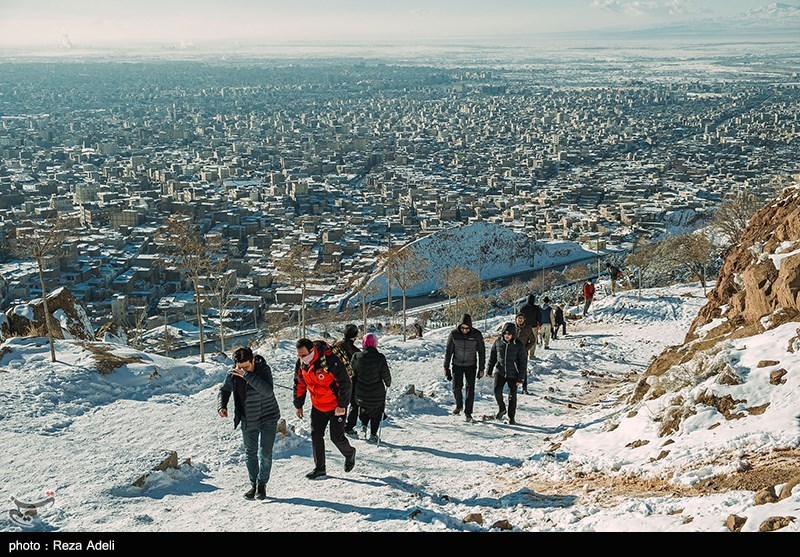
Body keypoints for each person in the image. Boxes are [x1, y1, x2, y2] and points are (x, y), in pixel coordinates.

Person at [218, 347, 281, 500]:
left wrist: (247, 375)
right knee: (250, 454)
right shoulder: (232, 374)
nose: (242, 370)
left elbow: (267, 391)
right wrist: (222, 405)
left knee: (265, 453)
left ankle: (262, 485)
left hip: (268, 418)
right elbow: (224, 390)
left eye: (246, 366)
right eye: (239, 367)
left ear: (253, 360)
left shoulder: (264, 370)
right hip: (248, 419)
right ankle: (253, 485)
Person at [293, 338, 356, 479]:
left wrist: (342, 405)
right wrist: (298, 404)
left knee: (336, 437)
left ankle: (350, 453)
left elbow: (346, 383)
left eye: (303, 355)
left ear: (311, 351)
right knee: (316, 436)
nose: (301, 358)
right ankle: (320, 468)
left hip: (335, 406)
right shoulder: (302, 364)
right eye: (298, 355)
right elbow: (299, 383)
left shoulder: (329, 360)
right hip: (318, 406)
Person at [443, 314, 486, 423]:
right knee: (456, 387)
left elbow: (481, 352)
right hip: (457, 364)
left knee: (470, 389)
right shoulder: (454, 334)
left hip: (471, 365)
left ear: (470, 327)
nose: (465, 330)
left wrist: (481, 368)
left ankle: (468, 412)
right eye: (462, 328)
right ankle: (459, 405)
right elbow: (448, 351)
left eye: (467, 328)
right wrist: (446, 367)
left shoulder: (477, 334)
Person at [351, 333, 392, 443]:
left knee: (364, 408)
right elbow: (385, 374)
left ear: (364, 343)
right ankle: (373, 435)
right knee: (377, 412)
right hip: (377, 393)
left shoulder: (356, 356)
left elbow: (352, 372)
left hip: (361, 392)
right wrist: (388, 383)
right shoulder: (380, 358)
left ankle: (364, 426)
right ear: (375, 343)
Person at [486, 322, 528, 425]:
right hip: (500, 372)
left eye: (509, 334)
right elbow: (493, 357)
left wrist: (520, 378)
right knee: (497, 391)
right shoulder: (498, 342)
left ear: (513, 335)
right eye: (505, 333)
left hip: (513, 374)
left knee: (512, 397)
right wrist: (489, 370)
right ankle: (502, 408)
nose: (507, 336)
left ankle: (511, 417)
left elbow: (523, 363)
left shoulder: (518, 345)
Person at [336, 324, 362, 437]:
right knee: (353, 403)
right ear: (354, 337)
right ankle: (349, 427)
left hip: (335, 379)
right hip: (350, 380)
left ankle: (337, 425)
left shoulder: (336, 345)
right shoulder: (355, 351)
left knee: (339, 402)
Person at [514, 313, 535, 395]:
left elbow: (533, 340)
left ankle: (524, 388)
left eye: (521, 318)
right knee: (513, 370)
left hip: (523, 352)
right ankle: (513, 387)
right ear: (516, 319)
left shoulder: (528, 328)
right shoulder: (512, 328)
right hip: (513, 352)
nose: (520, 320)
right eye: (518, 318)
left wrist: (526, 348)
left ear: (524, 319)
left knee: (523, 370)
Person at [519, 293, 541, 360]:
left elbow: (519, 316)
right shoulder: (536, 308)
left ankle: (524, 354)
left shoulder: (523, 307)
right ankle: (531, 355)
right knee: (533, 341)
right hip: (533, 326)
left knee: (524, 340)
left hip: (524, 327)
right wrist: (539, 324)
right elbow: (539, 317)